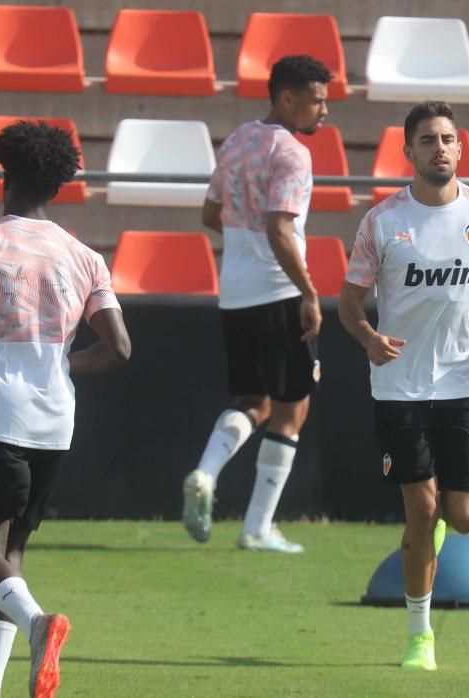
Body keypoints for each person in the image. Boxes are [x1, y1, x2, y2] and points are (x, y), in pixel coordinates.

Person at [0, 121, 131, 698]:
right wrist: (57, 366)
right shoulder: (84, 256)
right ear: (57, 184)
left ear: (6, 176)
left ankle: (38, 624)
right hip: (55, 423)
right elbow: (119, 348)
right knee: (11, 554)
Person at [338, 102, 469, 670]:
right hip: (398, 387)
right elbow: (348, 299)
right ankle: (420, 636)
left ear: (459, 148)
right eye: (427, 140)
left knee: (464, 516)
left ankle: (432, 531)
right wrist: (369, 336)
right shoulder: (383, 221)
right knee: (419, 508)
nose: (439, 148)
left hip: (458, 383)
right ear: (409, 152)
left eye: (447, 139)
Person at [181, 55, 330, 553]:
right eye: (316, 100)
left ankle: (205, 471)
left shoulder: (238, 140)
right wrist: (309, 292)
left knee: (253, 403)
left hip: (236, 292)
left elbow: (209, 213)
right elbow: (279, 228)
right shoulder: (292, 153)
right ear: (286, 98)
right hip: (279, 291)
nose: (323, 111)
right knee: (292, 410)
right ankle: (257, 528)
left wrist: (244, 246)